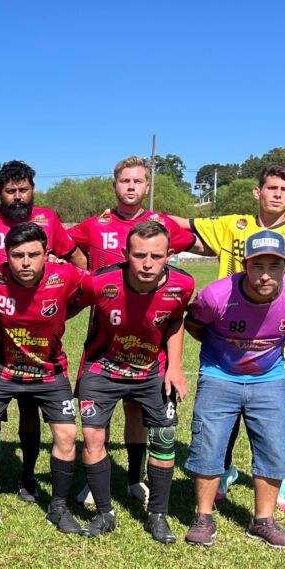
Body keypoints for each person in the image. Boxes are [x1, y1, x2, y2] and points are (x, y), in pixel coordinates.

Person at [171, 165, 285, 512]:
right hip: (229, 328)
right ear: (257, 191)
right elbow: (186, 225)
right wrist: (143, 219)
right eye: (271, 187)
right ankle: (223, 469)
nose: (277, 194)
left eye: (284, 189)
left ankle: (284, 477)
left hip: (275, 331)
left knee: (283, 408)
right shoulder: (232, 225)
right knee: (227, 407)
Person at [0, 160, 86, 504]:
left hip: (36, 329)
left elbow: (78, 262)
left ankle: (28, 475)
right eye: (10, 191)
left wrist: (61, 306)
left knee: (30, 406)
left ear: (32, 190)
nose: (17, 197)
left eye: (23, 190)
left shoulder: (48, 219)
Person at [69, 156, 197, 507]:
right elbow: (59, 241)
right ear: (114, 185)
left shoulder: (162, 224)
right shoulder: (96, 224)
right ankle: (95, 483)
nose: (130, 186)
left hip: (150, 333)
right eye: (124, 180)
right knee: (100, 409)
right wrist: (82, 266)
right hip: (106, 329)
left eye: (137, 181)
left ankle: (134, 478)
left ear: (147, 186)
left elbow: (198, 241)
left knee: (136, 411)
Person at [182, 231, 285, 549]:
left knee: (273, 446)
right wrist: (225, 353)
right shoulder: (215, 296)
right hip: (219, 375)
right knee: (209, 444)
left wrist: (264, 349)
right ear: (245, 266)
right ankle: (203, 516)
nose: (265, 274)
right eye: (258, 266)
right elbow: (194, 326)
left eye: (274, 265)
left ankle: (263, 521)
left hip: (269, 378)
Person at [0, 223, 90, 534]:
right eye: (17, 255)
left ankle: (58, 508)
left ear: (46, 254)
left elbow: (101, 288)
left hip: (49, 371)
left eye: (33, 255)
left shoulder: (66, 275)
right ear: (6, 256)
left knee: (66, 435)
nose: (25, 262)